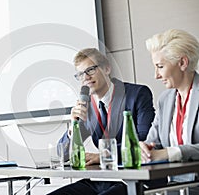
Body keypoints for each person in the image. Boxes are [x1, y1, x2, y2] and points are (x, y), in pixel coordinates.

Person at [48, 48, 155, 195]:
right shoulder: (87, 107)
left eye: (90, 70)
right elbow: (63, 154)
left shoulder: (137, 94)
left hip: (133, 180)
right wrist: (73, 126)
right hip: (102, 179)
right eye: (80, 74)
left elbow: (143, 140)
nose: (85, 77)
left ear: (107, 68)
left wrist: (102, 156)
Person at [140, 29, 199, 185]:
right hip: (174, 185)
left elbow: (165, 152)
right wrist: (145, 148)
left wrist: (169, 153)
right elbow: (154, 142)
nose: (156, 75)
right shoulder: (165, 100)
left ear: (182, 63)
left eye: (160, 66)